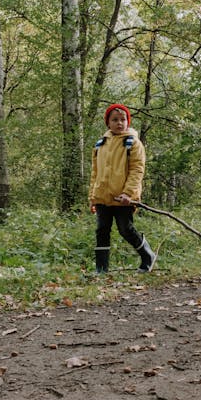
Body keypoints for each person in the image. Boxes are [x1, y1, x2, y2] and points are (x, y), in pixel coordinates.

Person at [89, 103, 155, 274]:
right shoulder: (100, 144)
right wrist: (92, 197)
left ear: (128, 121)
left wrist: (128, 193)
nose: (119, 123)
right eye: (115, 120)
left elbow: (137, 170)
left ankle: (148, 255)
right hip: (103, 197)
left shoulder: (133, 143)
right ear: (108, 123)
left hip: (123, 197)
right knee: (101, 230)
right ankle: (101, 269)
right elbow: (95, 173)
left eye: (123, 119)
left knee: (125, 229)